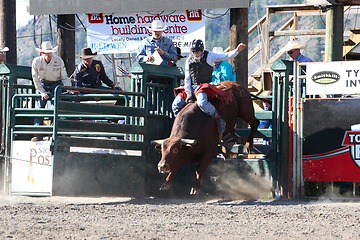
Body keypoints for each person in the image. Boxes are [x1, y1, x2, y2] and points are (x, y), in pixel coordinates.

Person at [172, 39, 247, 135]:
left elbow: (225, 56)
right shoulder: (188, 60)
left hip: (203, 86)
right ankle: (181, 126)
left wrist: (237, 50)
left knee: (202, 103)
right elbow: (187, 78)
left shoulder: (210, 56)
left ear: (202, 50)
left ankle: (218, 119)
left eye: (197, 51)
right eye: (193, 51)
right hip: (191, 87)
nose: (195, 54)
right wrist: (188, 93)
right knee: (176, 105)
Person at [31, 41, 74, 141]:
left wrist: (69, 88)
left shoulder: (58, 61)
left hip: (56, 83)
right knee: (39, 107)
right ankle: (37, 134)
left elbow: (64, 77)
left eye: (50, 53)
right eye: (47, 53)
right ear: (42, 53)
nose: (49, 56)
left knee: (56, 107)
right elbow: (35, 79)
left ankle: (53, 133)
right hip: (42, 83)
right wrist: (42, 91)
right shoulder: (36, 62)